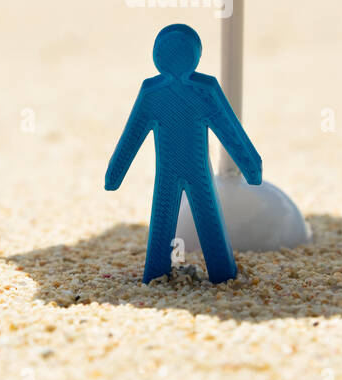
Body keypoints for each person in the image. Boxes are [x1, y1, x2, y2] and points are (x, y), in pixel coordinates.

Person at [105, 24, 262, 284]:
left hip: (185, 170)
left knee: (183, 216)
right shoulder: (176, 92)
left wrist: (115, 174)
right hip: (187, 170)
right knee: (196, 216)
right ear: (196, 56)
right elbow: (229, 131)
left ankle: (179, 271)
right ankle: (215, 273)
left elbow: (131, 137)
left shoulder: (194, 91)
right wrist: (251, 166)